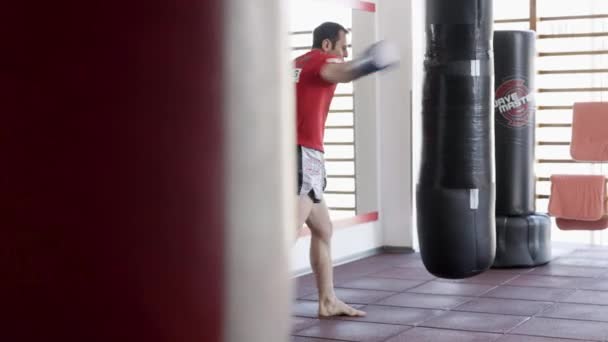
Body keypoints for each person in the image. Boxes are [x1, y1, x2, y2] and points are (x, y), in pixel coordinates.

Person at [294, 22, 398, 317]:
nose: (345, 53)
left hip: (295, 154)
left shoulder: (297, 64)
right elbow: (342, 71)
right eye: (343, 47)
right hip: (304, 154)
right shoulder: (321, 61)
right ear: (327, 45)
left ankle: (327, 301)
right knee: (283, 235)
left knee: (323, 229)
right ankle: (239, 306)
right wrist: (371, 62)